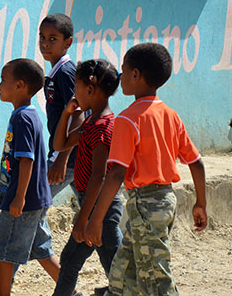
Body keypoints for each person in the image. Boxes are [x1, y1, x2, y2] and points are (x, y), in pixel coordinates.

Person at [84, 43, 208, 295]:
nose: (120, 77)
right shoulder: (170, 115)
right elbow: (196, 162)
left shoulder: (128, 119)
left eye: (123, 70)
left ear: (136, 75)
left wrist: (96, 219)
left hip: (146, 206)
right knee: (121, 277)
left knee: (156, 280)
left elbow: (116, 173)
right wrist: (200, 203)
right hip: (164, 201)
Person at [0, 13, 81, 289]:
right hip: (52, 168)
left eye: (52, 39)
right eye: (42, 38)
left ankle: (2, 275)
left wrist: (61, 158)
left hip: (62, 163)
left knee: (16, 234)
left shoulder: (64, 75)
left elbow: (77, 114)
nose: (45, 44)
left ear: (67, 43)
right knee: (36, 238)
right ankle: (69, 289)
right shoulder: (39, 98)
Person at [51, 59, 123, 296]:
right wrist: (66, 114)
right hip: (91, 206)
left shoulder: (103, 128)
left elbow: (98, 177)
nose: (74, 92)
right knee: (76, 261)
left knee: (117, 269)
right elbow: (60, 144)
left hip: (101, 210)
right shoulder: (90, 122)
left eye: (76, 87)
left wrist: (85, 219)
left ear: (90, 89)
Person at [0, 58, 58, 296]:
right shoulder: (30, 115)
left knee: (3, 249)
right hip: (37, 198)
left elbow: (26, 159)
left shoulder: (22, 118)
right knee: (41, 248)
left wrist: (18, 197)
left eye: (4, 80)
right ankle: (68, 289)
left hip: (24, 199)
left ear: (20, 85)